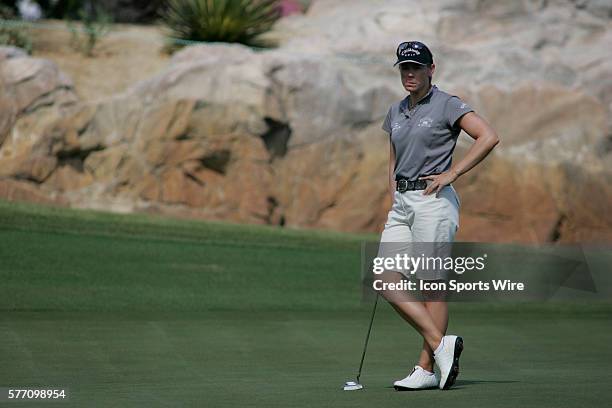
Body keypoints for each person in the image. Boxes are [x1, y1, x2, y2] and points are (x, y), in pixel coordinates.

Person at [376, 41, 499, 391]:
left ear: (432, 69)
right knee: (385, 279)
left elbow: (488, 136)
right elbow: (392, 162)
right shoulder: (395, 111)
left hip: (434, 201)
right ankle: (440, 342)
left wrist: (453, 174)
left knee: (432, 287)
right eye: (404, 67)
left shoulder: (448, 104)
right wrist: (393, 200)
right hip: (402, 204)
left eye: (416, 67)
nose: (409, 73)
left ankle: (425, 368)